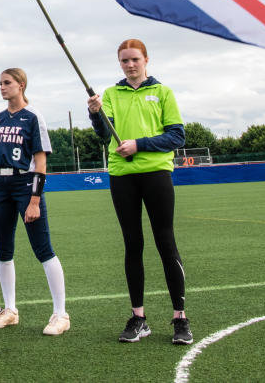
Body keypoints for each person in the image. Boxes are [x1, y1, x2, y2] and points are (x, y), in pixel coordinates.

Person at [87, 38, 191, 345]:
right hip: (122, 175)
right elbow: (104, 134)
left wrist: (140, 144)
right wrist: (95, 114)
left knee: (165, 242)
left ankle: (180, 318)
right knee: (133, 244)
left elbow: (176, 136)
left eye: (135, 59)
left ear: (146, 60)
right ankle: (139, 317)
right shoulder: (110, 94)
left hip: (156, 173)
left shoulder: (162, 92)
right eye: (124, 61)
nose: (130, 65)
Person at [0, 68, 69, 335]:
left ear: (21, 85)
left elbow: (41, 161)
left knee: (43, 248)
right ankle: (10, 310)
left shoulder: (33, 117)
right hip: (1, 187)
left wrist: (34, 199)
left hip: (24, 183)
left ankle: (60, 313)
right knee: (4, 250)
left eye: (7, 83)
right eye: (0, 83)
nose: (2, 87)